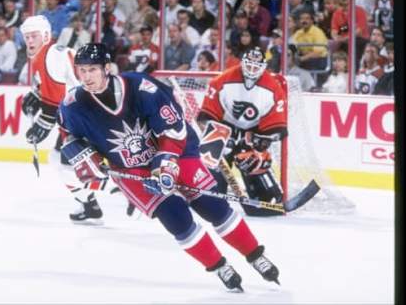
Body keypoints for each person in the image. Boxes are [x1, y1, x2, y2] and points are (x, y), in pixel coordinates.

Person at [58, 42, 280, 292]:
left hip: (175, 150)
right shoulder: (72, 104)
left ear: (106, 68)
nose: (86, 77)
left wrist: (165, 166)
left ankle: (255, 255)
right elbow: (68, 136)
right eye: (82, 70)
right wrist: (82, 155)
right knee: (176, 217)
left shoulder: (140, 87)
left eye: (92, 70)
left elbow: (174, 129)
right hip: (132, 170)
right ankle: (219, 266)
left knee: (212, 206)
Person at [19, 15, 104, 224]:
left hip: (88, 117)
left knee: (66, 166)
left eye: (34, 36)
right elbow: (59, 87)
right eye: (27, 36)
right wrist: (37, 94)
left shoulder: (52, 55)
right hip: (81, 117)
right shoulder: (44, 55)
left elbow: (59, 97)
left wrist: (44, 122)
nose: (30, 41)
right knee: (58, 160)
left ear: (46, 35)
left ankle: (105, 189)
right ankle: (90, 204)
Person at [197, 46, 288, 217]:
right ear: (242, 63)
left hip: (252, 133)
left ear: (263, 67)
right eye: (249, 65)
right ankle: (209, 195)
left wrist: (261, 142)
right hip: (224, 127)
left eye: (256, 66)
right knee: (214, 161)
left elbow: (277, 127)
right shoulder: (222, 80)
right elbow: (206, 116)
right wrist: (222, 138)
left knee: (251, 159)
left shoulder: (273, 87)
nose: (252, 70)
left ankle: (264, 197)